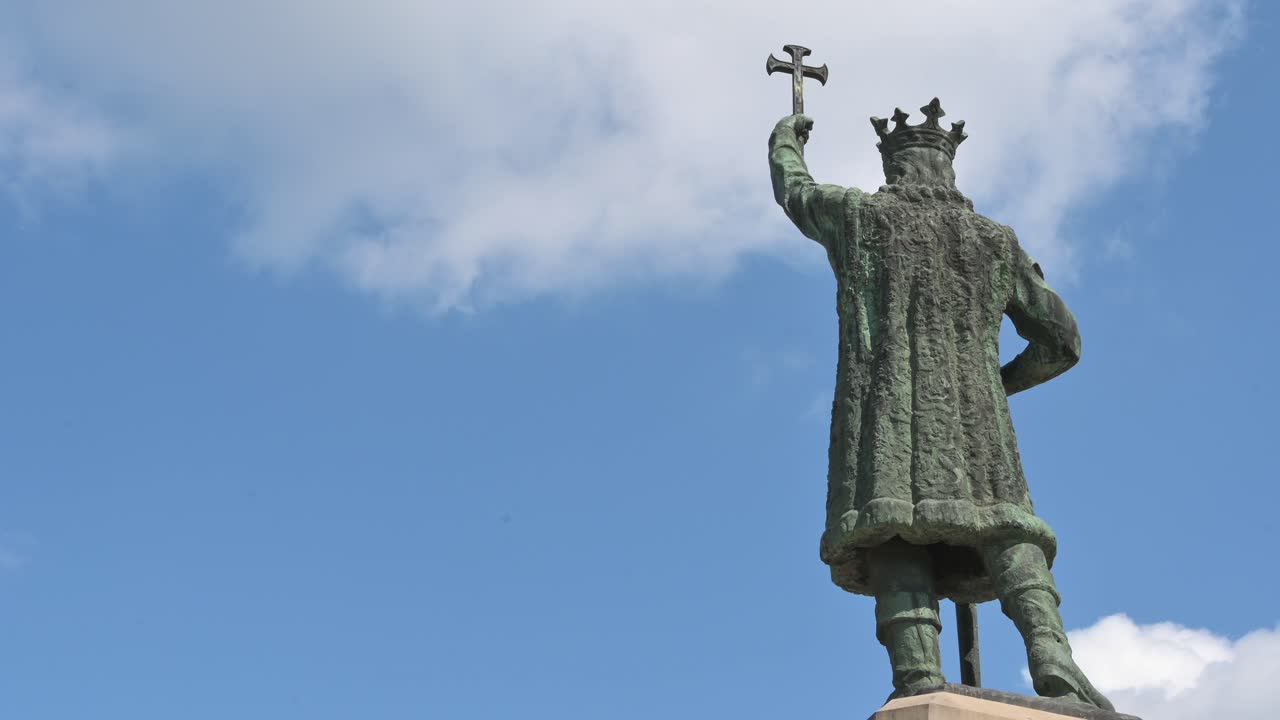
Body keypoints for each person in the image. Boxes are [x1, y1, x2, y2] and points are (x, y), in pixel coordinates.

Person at [768, 99, 1112, 710]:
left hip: (885, 419)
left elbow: (797, 193)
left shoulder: (860, 216)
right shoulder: (994, 241)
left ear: (893, 168)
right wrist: (994, 386)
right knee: (1006, 526)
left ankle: (917, 677)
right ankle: (1054, 660)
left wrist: (786, 140)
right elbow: (1062, 342)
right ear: (948, 169)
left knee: (894, 531)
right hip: (979, 423)